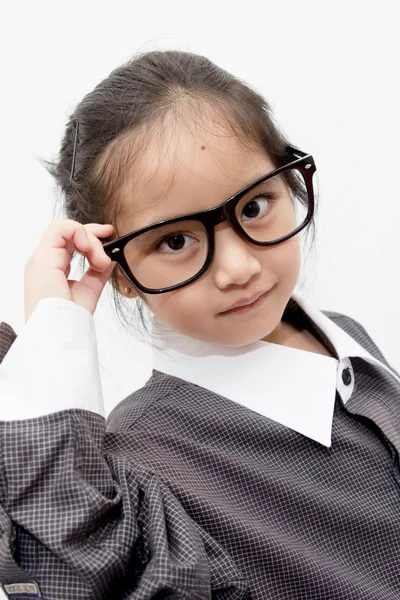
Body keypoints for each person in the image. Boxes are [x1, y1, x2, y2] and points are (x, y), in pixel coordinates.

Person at [0, 50, 399, 600]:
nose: (239, 268)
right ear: (118, 271)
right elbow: (84, 566)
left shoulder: (342, 334)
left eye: (256, 206)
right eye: (176, 240)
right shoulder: (146, 463)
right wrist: (54, 330)